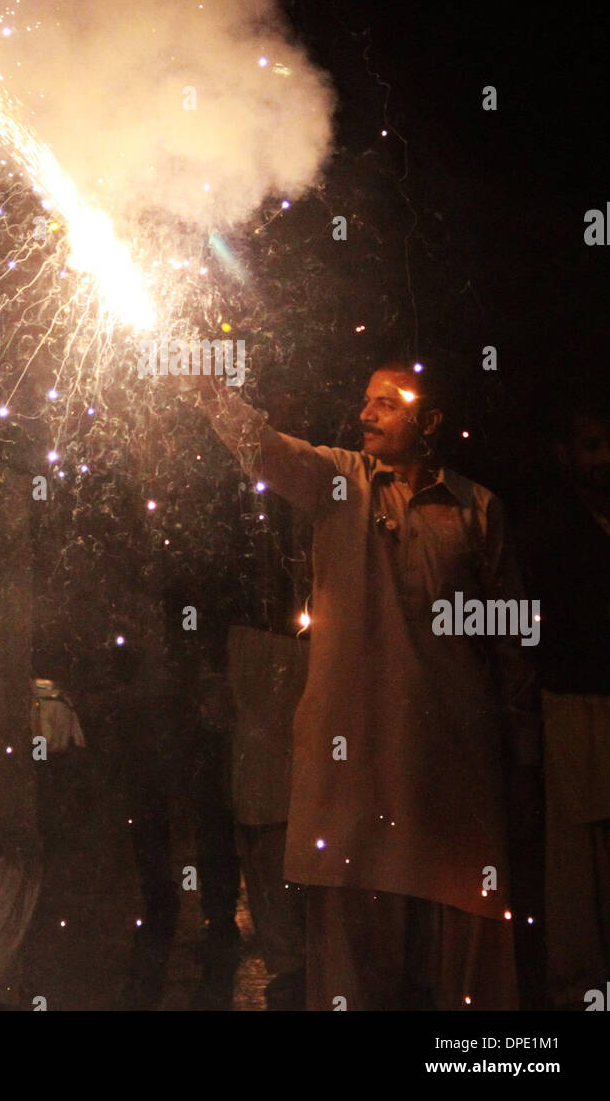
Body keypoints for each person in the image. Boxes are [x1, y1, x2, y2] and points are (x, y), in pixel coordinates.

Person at [174, 358, 538, 1010]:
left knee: (462, 963)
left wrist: (520, 750)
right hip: (355, 767)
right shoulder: (340, 482)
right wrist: (207, 389)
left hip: (449, 768)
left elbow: (510, 640)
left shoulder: (477, 510)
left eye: (386, 403)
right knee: (352, 958)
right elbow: (265, 449)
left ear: (429, 422)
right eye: (364, 400)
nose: (365, 414)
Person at [525, 392, 610, 1007]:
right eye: (591, 446)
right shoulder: (548, 532)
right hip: (573, 704)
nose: (604, 458)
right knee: (579, 856)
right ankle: (581, 987)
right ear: (564, 454)